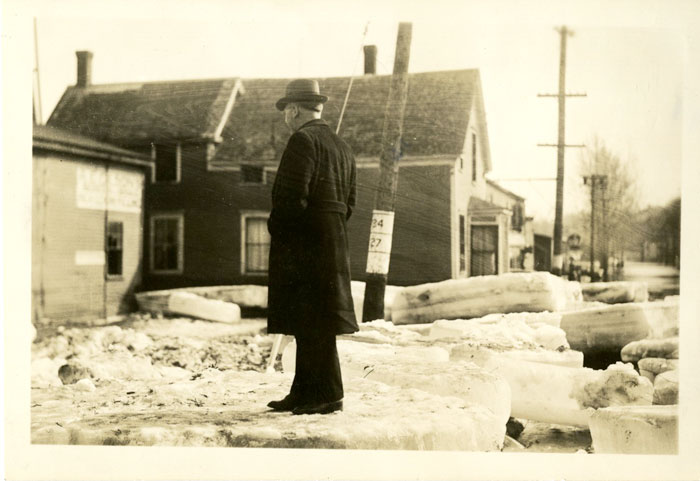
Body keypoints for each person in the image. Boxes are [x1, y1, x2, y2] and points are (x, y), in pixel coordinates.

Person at [266, 79, 358, 415]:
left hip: (304, 247)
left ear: (293, 110)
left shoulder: (301, 140)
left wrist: (280, 230)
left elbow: (291, 200)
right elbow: (349, 203)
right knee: (315, 322)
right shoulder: (342, 147)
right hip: (333, 244)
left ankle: (326, 394)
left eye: (285, 112)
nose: (285, 118)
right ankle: (305, 392)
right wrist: (328, 229)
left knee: (310, 321)